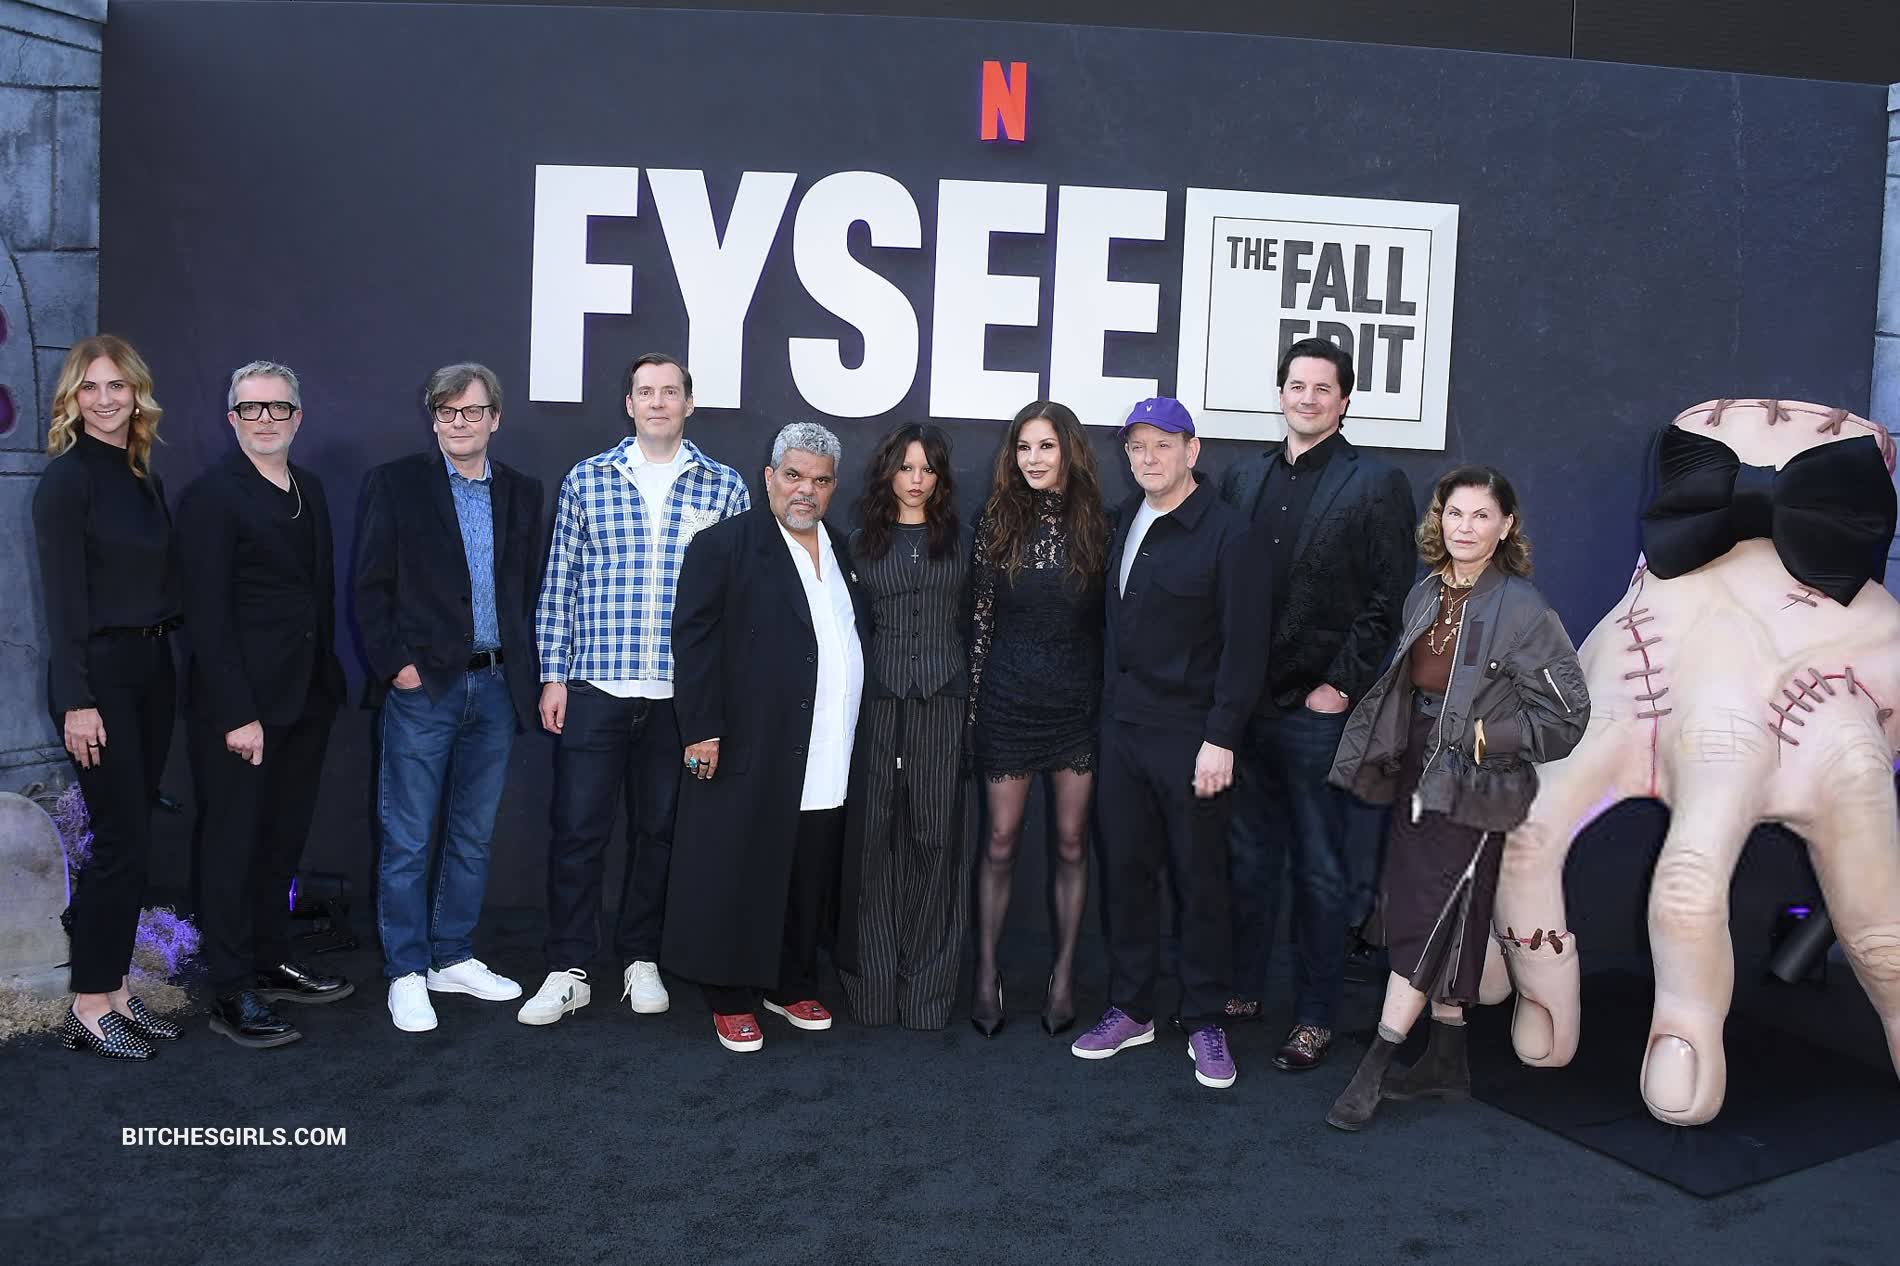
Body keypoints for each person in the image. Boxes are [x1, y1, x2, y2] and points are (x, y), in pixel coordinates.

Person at [1324, 465, 1588, 1129]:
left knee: (1427, 913)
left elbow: (1568, 716)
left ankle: (1376, 1063)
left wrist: (1484, 736)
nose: (1464, 528)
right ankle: (1447, 1059)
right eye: (1454, 513)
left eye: (1480, 516)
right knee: (1450, 910)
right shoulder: (1426, 593)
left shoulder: (1523, 610)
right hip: (1418, 768)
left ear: (1506, 526)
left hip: (1475, 783)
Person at [521, 352, 749, 1026]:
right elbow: (559, 583)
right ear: (628, 403)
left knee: (661, 833)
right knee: (577, 831)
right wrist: (553, 675)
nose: (657, 402)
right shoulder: (587, 479)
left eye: (669, 392)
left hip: (680, 695)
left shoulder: (724, 487)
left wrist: (720, 699)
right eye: (645, 392)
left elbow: (738, 599)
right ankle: (568, 965)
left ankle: (641, 957)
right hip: (595, 684)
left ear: (688, 403)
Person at [1217, 336, 1416, 1072]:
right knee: (1247, 860)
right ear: (1280, 394)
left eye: (1322, 388)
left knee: (1320, 870)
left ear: (1344, 400)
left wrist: (1340, 688)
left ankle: (1315, 1017)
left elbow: (1387, 600)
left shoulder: (1376, 483)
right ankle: (1243, 990)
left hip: (1316, 712)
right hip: (1245, 710)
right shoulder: (1242, 478)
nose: (1307, 398)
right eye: (1296, 386)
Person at [1072, 397, 1268, 1090]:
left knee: (1200, 881)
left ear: (1193, 450)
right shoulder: (1124, 520)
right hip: (1123, 730)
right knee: (1125, 873)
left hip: (1192, 737)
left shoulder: (1230, 533)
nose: (1148, 457)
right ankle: (1131, 1008)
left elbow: (1246, 648)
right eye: (1137, 447)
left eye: (1163, 444)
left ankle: (1205, 1019)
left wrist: (1222, 738)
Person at [353, 363, 546, 1032]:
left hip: (496, 687)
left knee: (473, 836)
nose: (459, 422)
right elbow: (369, 587)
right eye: (447, 411)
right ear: (433, 418)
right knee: (407, 839)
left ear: (496, 418)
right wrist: (398, 668)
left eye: (472, 411)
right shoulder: (395, 484)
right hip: (424, 688)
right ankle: (407, 970)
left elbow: (526, 588)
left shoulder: (522, 492)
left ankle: (453, 955)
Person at [662, 422, 866, 1053]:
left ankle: (789, 980)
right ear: (770, 476)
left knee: (807, 864)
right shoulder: (724, 545)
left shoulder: (842, 549)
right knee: (738, 864)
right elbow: (694, 640)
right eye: (795, 476)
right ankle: (729, 994)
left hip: (827, 742)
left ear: (833, 487)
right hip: (749, 739)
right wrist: (703, 729)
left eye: (820, 480)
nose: (806, 490)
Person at [176, 360, 351, 1048]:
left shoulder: (308, 488)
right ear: (233, 419)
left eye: (279, 407)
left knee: (281, 840)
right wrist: (236, 713)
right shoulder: (211, 497)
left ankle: (269, 957)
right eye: (252, 408)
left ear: (298, 417)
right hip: (241, 709)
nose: (266, 419)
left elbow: (314, 595)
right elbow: (206, 616)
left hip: (305, 697)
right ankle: (229, 988)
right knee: (231, 846)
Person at [32, 336, 183, 1060]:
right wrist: (76, 700)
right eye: (89, 387)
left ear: (136, 393)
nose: (103, 399)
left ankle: (116, 990)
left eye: (116, 386)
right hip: (98, 678)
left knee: (134, 838)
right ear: (72, 398)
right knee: (119, 842)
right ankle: (89, 1006)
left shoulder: (141, 475)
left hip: (152, 668)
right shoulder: (67, 482)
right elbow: (63, 604)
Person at [966, 401, 1109, 1037]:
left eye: (1046, 446)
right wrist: (974, 712)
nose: (1033, 459)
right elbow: (980, 625)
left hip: (1076, 707)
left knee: (1072, 843)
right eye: (1024, 447)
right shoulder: (996, 522)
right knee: (999, 842)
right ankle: (986, 973)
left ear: (1068, 450)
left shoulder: (1100, 524)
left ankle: (1065, 974)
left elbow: (1108, 628)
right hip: (1008, 702)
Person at [835, 424, 969, 1029]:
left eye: (927, 469)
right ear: (888, 471)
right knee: (872, 845)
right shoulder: (856, 543)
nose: (916, 480)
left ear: (940, 477)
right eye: (906, 467)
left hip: (943, 703)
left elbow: (976, 622)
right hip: (876, 706)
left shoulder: (964, 542)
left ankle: (927, 998)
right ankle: (872, 989)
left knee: (937, 844)